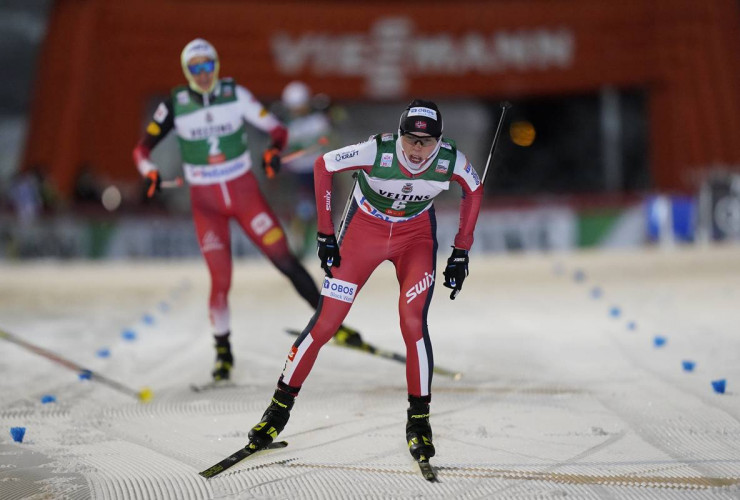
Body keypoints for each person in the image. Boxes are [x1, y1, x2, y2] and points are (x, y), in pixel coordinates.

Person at [245, 99, 483, 463]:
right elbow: (324, 166)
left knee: (413, 324)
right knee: (325, 324)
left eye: (427, 143)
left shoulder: (451, 160)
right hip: (363, 233)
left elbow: (474, 189)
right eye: (411, 140)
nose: (418, 151)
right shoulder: (378, 150)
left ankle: (418, 422)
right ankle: (276, 412)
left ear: (439, 141)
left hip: (415, 237)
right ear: (400, 135)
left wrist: (461, 251)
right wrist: (325, 234)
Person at [132, 38, 362, 382]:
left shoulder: (235, 95)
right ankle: (223, 354)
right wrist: (149, 172)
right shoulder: (175, 105)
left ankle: (332, 323)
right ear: (186, 71)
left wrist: (273, 150)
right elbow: (141, 150)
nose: (203, 74)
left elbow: (278, 129)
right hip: (206, 205)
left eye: (208, 66)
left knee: (285, 260)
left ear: (216, 66)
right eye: (195, 68)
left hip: (244, 195)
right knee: (221, 279)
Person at [279, 81, 337, 257]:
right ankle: (297, 244)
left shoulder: (318, 121)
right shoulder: (286, 125)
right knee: (304, 209)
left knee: (319, 210)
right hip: (298, 174)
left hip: (318, 172)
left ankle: (311, 244)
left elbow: (330, 141)